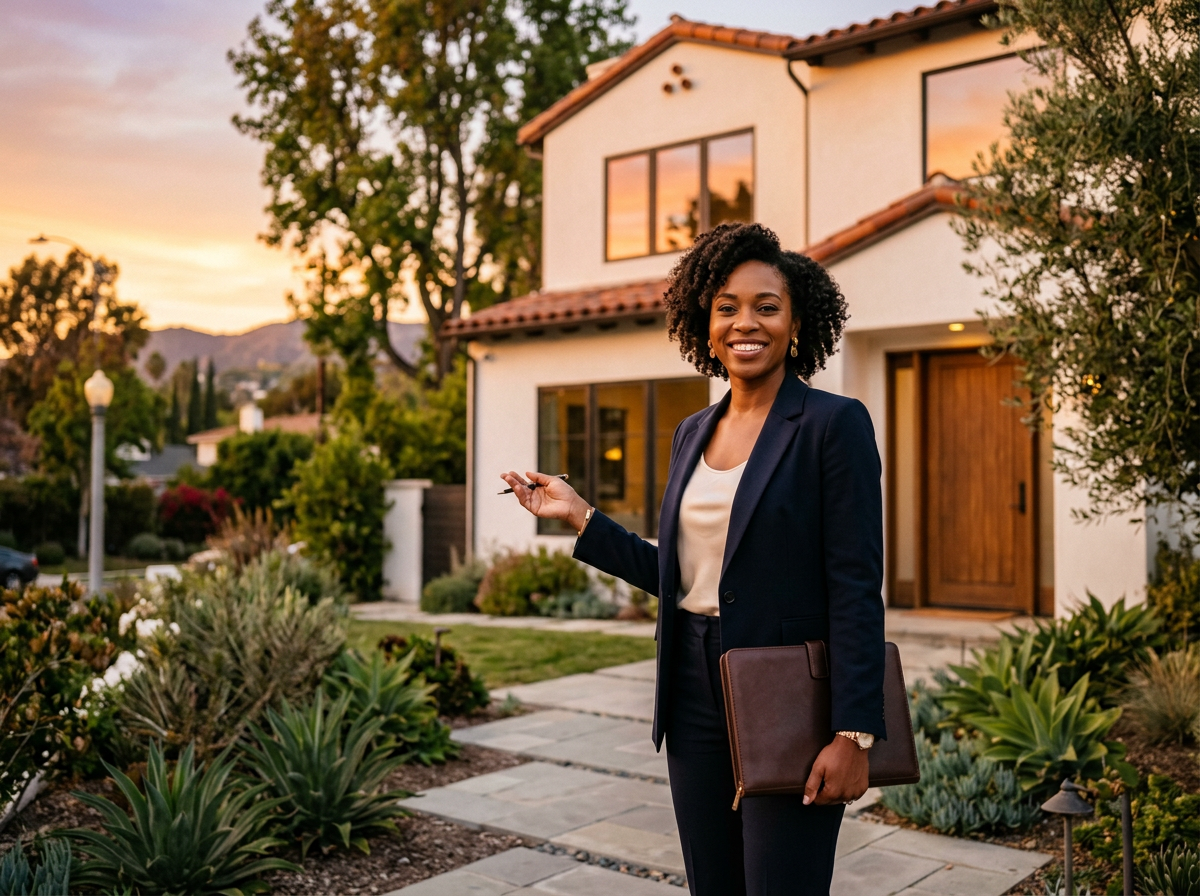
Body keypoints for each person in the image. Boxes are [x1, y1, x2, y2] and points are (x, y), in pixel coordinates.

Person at [500, 222, 885, 896]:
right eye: (727, 307)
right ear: (703, 323)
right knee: (715, 884)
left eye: (767, 306)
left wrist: (855, 733)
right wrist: (580, 515)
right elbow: (681, 574)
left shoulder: (832, 423)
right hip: (691, 690)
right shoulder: (691, 432)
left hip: (785, 692)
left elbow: (855, 585)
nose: (747, 323)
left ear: (796, 323)